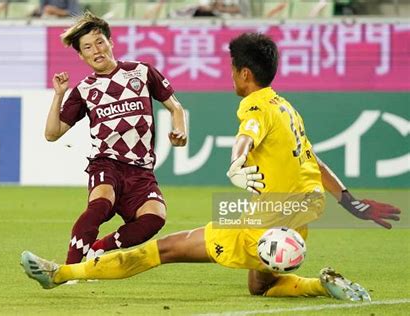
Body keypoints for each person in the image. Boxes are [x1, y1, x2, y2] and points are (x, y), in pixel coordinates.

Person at [21, 33, 400, 300]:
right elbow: (312, 160)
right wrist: (351, 203)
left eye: (233, 69)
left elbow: (246, 136)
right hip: (302, 212)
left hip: (266, 218)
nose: (231, 75)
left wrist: (236, 162)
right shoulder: (287, 108)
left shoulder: (255, 105)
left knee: (164, 250)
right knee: (260, 286)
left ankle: (61, 273)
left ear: (245, 74)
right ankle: (320, 284)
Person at [44, 11, 195, 265]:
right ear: (81, 56)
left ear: (111, 42)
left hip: (141, 169)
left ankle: (98, 249)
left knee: (155, 217)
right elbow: (52, 133)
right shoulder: (84, 90)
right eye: (88, 47)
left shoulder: (141, 72)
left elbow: (175, 107)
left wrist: (180, 131)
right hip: (107, 163)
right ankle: (69, 268)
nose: (96, 50)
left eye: (100, 42)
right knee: (101, 203)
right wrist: (59, 95)